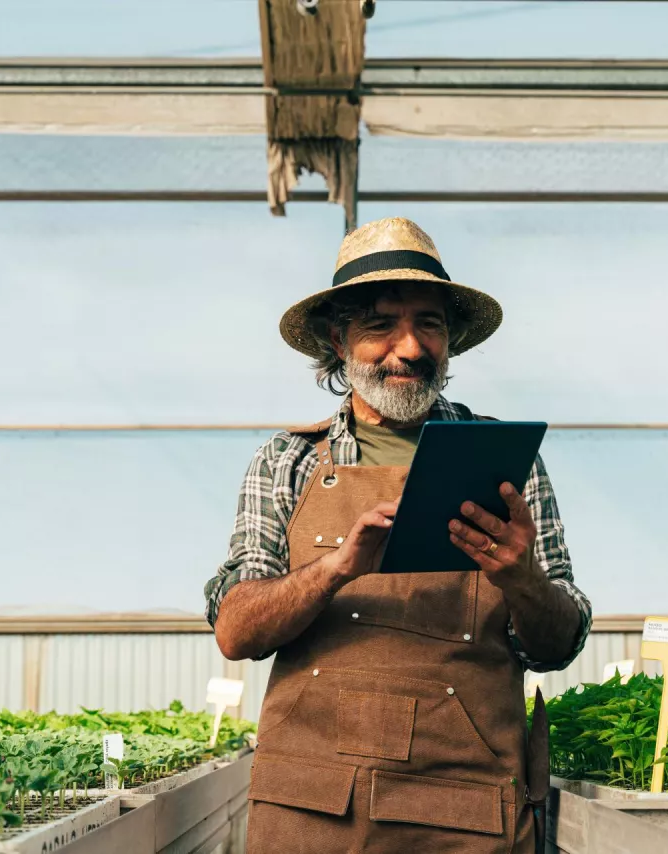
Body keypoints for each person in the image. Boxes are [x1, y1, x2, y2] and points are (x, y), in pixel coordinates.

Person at [203, 217, 592, 853]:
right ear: (339, 338)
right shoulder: (286, 462)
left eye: (429, 324)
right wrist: (335, 570)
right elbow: (237, 630)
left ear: (451, 340)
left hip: (463, 815)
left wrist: (521, 577)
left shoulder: (504, 462)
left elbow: (558, 642)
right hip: (309, 811)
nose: (409, 347)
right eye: (381, 324)